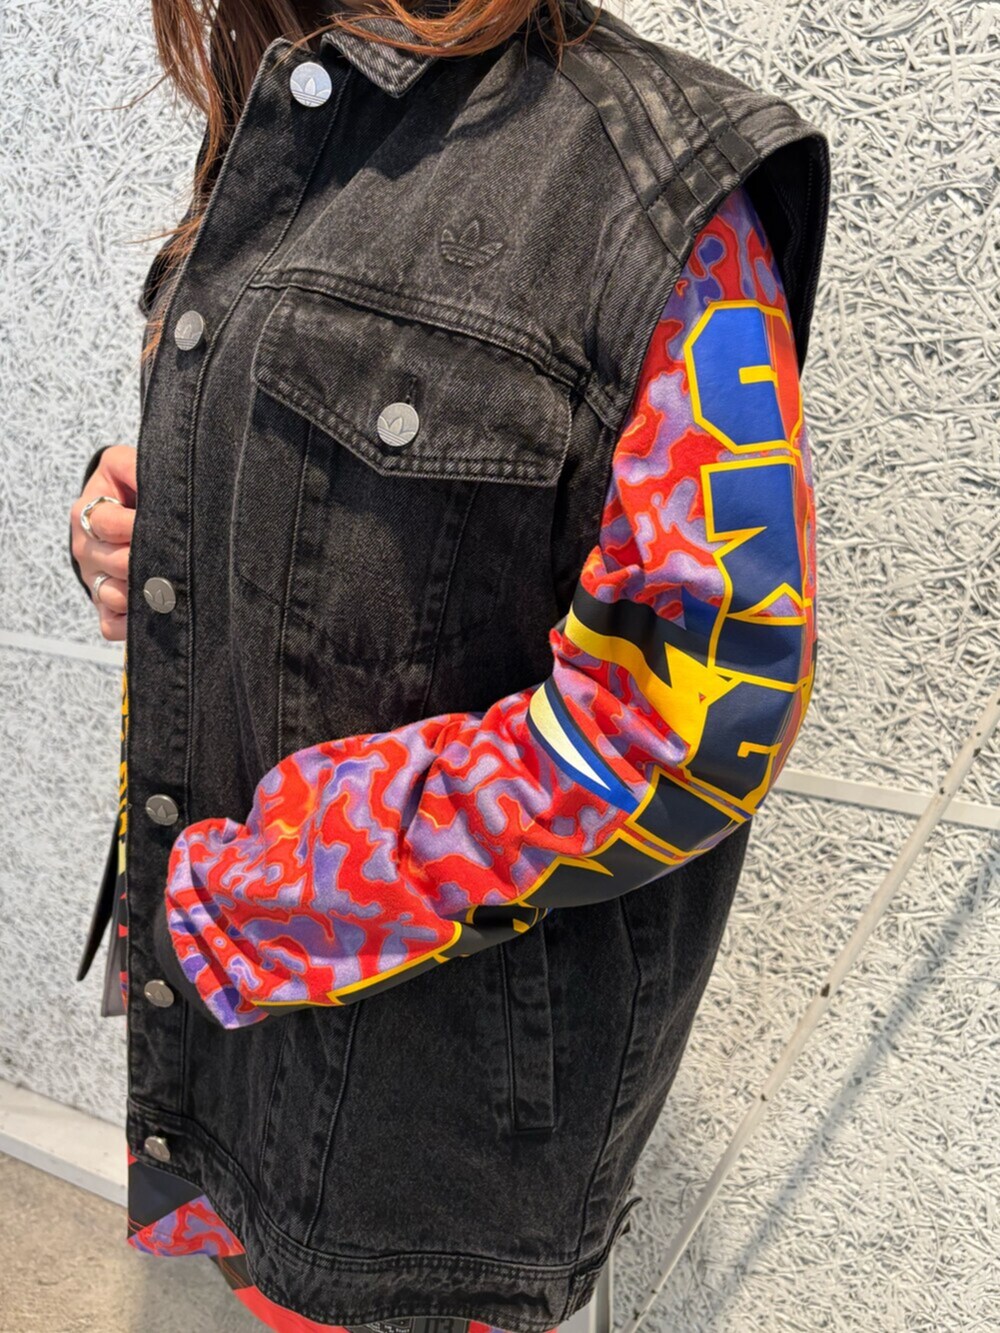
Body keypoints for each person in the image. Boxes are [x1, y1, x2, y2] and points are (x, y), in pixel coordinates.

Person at [68, 1, 830, 1330]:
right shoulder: (291, 108)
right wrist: (132, 516)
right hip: (233, 1053)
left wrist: (273, 898)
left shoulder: (659, 187)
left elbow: (699, 709)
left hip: (425, 1127)